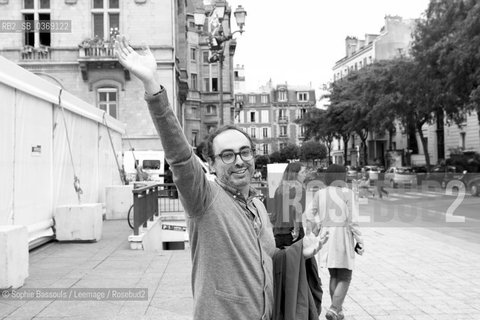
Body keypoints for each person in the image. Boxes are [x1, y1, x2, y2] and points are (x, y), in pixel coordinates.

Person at [115, 35, 327, 320]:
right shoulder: (205, 200)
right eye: (227, 155)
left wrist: (299, 252)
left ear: (253, 156)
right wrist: (153, 86)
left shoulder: (258, 207)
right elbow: (180, 157)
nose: (238, 161)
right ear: (212, 165)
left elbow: (269, 260)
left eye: (244, 152)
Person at [304, 164, 364, 320]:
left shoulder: (320, 193)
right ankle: (334, 308)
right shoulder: (347, 193)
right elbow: (353, 221)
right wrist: (360, 240)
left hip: (326, 236)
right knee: (345, 275)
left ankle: (338, 311)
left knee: (335, 275)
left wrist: (317, 227)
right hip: (342, 236)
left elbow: (309, 214)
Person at [270, 163, 307, 248]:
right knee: (298, 260)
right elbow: (297, 212)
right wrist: (296, 230)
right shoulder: (300, 190)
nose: (305, 175)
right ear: (295, 174)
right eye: (303, 172)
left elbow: (274, 215)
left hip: (278, 233)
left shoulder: (278, 190)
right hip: (293, 232)